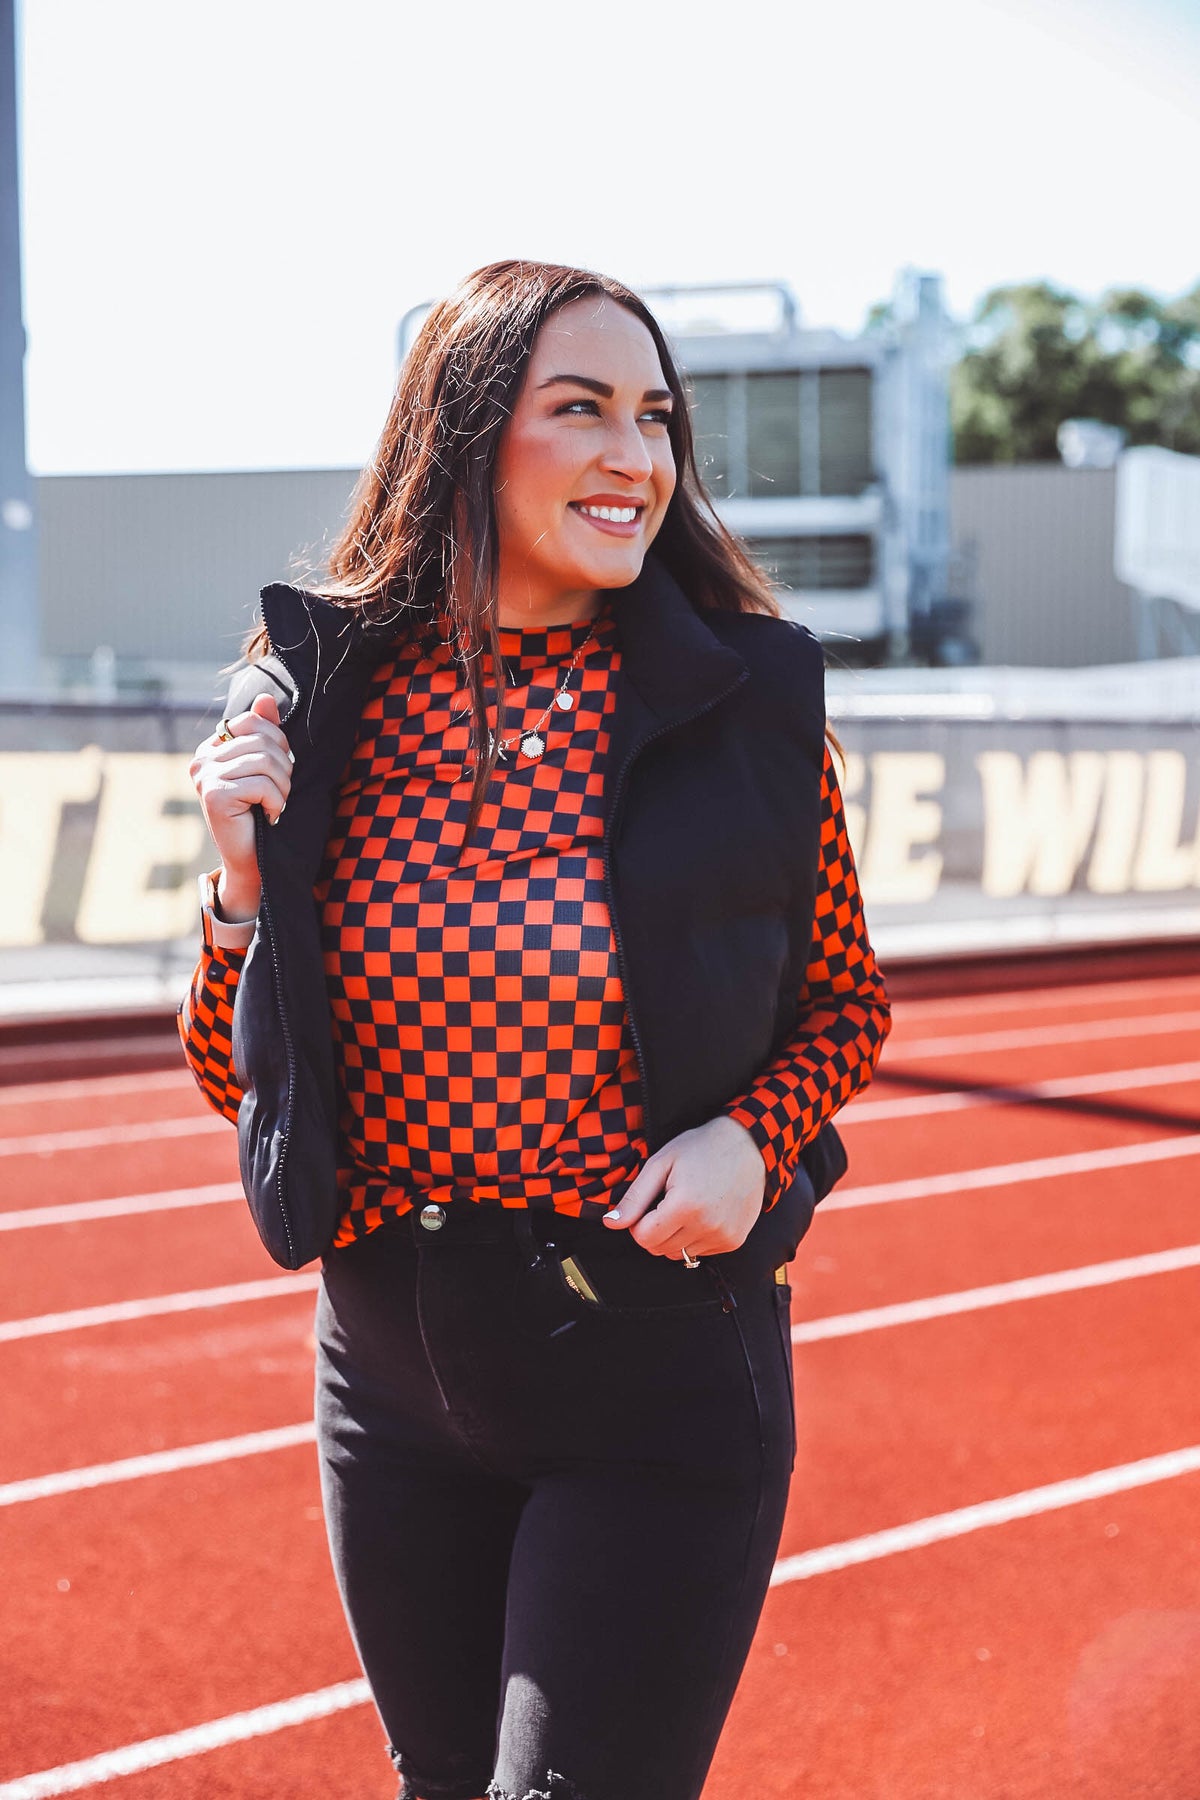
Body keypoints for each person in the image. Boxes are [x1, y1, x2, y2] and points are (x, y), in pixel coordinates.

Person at [180, 259, 891, 1800]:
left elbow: (848, 999)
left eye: (655, 417)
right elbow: (235, 1077)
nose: (636, 456)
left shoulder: (746, 702)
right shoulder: (324, 703)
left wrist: (750, 1145)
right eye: (581, 410)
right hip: (387, 1382)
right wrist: (237, 900)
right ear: (465, 432)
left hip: (652, 1371)